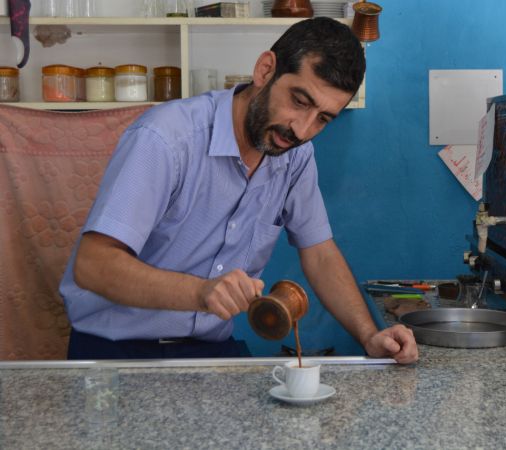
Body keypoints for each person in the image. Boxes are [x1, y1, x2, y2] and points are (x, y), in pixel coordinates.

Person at [59, 17, 418, 363]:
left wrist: (369, 336)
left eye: (323, 118)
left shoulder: (296, 157)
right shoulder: (166, 138)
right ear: (265, 70)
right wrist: (200, 292)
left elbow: (319, 252)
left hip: (208, 351)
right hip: (115, 353)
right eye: (300, 101)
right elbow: (93, 265)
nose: (303, 129)